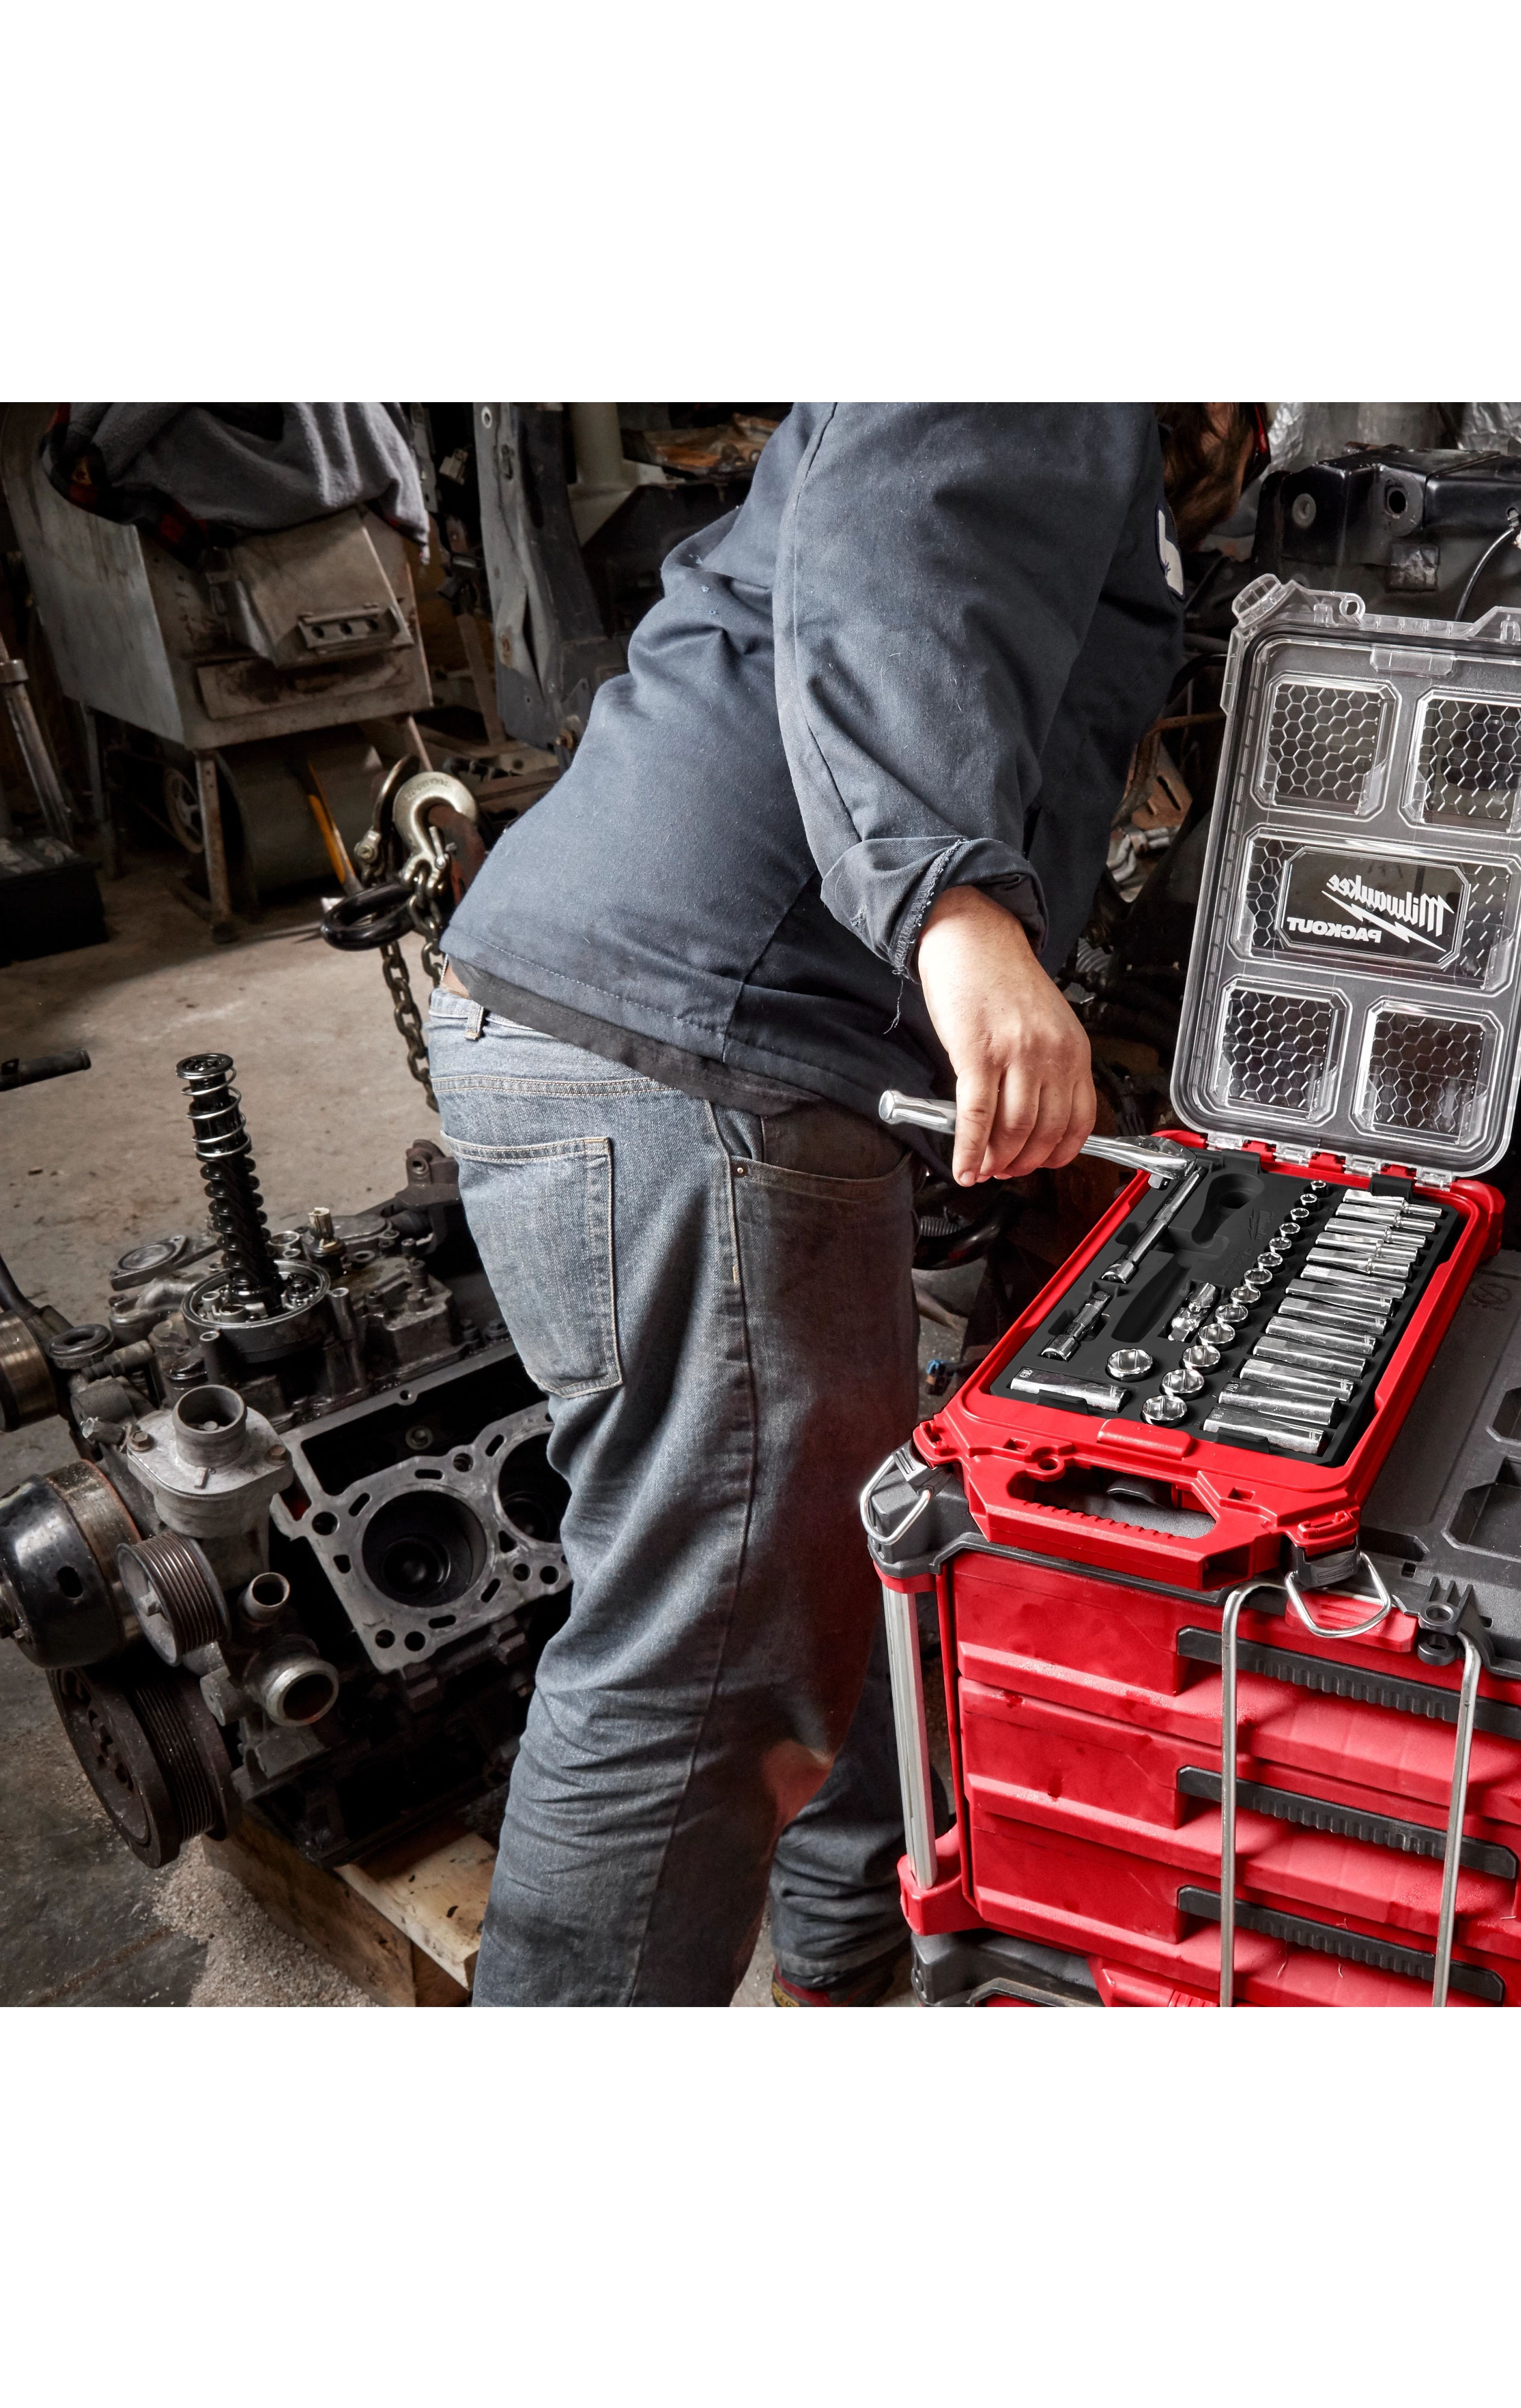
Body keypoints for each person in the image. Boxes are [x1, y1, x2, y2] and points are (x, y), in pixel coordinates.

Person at [426, 401, 1253, 2006]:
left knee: (831, 1568)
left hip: (674, 1029)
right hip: (697, 1034)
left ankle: (841, 1934)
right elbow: (895, 556)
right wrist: (954, 911)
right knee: (701, 1670)